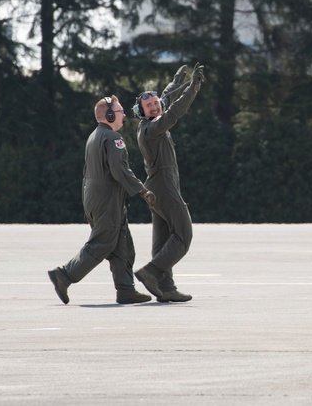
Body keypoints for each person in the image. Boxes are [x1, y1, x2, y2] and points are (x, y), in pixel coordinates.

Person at [48, 95, 157, 305]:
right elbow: (120, 170)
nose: (124, 114)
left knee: (122, 245)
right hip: (107, 201)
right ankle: (64, 275)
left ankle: (126, 290)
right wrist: (143, 191)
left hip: (97, 199)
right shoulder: (113, 138)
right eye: (120, 111)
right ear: (108, 115)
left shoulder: (94, 136)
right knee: (102, 243)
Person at [132, 63, 204, 303]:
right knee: (183, 234)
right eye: (148, 106)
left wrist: (175, 82)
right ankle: (151, 272)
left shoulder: (151, 122)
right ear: (141, 112)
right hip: (163, 184)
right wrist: (192, 89)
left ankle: (166, 288)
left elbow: (164, 100)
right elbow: (173, 112)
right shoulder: (153, 128)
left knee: (162, 240)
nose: (154, 107)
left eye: (154, 104)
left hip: (158, 185)